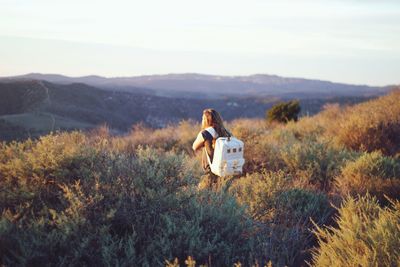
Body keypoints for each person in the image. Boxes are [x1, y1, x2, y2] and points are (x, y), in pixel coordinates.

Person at [192, 108, 231, 191]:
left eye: (203, 118)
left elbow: (194, 147)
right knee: (220, 196)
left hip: (211, 170)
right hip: (224, 170)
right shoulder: (225, 132)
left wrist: (204, 142)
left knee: (202, 196)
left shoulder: (206, 133)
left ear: (206, 120)